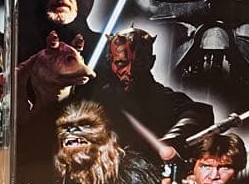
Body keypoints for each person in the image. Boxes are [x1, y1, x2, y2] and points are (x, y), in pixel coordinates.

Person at [81, 27, 213, 161]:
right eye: (121, 63)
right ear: (110, 62)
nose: (130, 71)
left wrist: (169, 140)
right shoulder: (95, 98)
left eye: (139, 63)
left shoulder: (162, 97)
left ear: (151, 62)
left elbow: (198, 113)